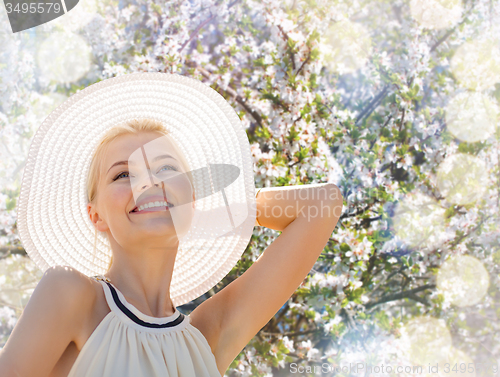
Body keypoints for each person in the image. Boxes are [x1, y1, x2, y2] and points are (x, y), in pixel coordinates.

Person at [0, 73, 343, 377]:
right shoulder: (71, 295)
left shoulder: (207, 337)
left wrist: (191, 209)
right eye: (123, 174)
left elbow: (323, 203)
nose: (148, 182)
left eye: (165, 169)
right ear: (96, 215)